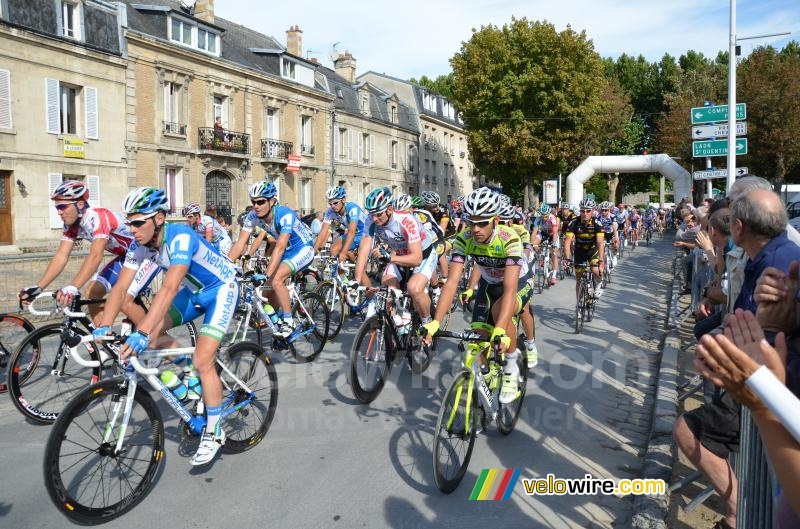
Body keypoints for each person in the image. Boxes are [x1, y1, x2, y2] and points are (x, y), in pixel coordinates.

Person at [93, 187, 238, 466]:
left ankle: (215, 431)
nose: (132, 229)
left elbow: (169, 287)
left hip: (221, 290)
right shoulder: (139, 248)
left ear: (159, 218)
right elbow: (121, 289)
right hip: (194, 293)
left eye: (138, 223)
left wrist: (142, 332)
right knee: (154, 334)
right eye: (129, 223)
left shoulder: (181, 236)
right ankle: (188, 372)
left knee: (203, 358)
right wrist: (104, 325)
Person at [422, 187, 531, 402]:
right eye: (472, 222)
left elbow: (509, 289)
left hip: (518, 283)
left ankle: (510, 366)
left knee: (501, 312)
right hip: (489, 284)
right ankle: (485, 382)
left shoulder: (509, 239)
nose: (476, 229)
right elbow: (452, 283)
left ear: (496, 220)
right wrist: (435, 322)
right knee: (477, 335)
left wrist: (500, 329)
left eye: (482, 223)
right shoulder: (465, 238)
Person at [17, 180, 144, 325]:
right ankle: (107, 342)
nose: (59, 212)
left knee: (121, 299)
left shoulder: (98, 217)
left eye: (63, 207)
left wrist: (73, 287)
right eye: (57, 208)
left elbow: (95, 256)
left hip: (146, 255)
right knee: (91, 292)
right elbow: (61, 256)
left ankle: (154, 338)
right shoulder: (71, 225)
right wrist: (38, 287)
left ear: (80, 204)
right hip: (127, 257)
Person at [229, 181, 315, 337]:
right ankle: (279, 323)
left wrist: (267, 274)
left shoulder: (285, 214)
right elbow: (240, 242)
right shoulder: (252, 216)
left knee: (276, 280)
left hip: (303, 249)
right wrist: (227, 266)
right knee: (266, 293)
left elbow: (280, 246)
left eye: (260, 201)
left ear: (271, 201)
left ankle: (289, 322)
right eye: (253, 202)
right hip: (287, 252)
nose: (256, 206)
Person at [354, 187, 437, 328]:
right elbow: (363, 250)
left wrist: (390, 258)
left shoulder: (406, 221)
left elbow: (416, 258)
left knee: (414, 289)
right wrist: (356, 281)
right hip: (399, 255)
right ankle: (396, 329)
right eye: (372, 214)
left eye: (379, 214)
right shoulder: (371, 221)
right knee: (387, 292)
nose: (374, 218)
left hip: (423, 255)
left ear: (390, 209)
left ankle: (427, 322)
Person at [563, 199, 605, 300]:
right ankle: (579, 305)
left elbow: (600, 243)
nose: (585, 213)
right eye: (582, 211)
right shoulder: (574, 222)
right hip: (579, 252)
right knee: (579, 278)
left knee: (596, 271)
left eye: (588, 211)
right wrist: (567, 258)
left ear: (593, 211)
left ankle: (598, 284)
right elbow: (568, 241)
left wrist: (601, 260)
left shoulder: (597, 223)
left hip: (592, 251)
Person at [313, 186, 367, 264]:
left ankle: (358, 264)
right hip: (353, 234)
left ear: (343, 200)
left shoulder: (353, 209)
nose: (333, 206)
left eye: (335, 203)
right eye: (330, 204)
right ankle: (340, 276)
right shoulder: (330, 211)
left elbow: (351, 232)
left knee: (360, 262)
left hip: (365, 234)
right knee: (334, 250)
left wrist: (344, 252)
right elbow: (323, 231)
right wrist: (314, 251)